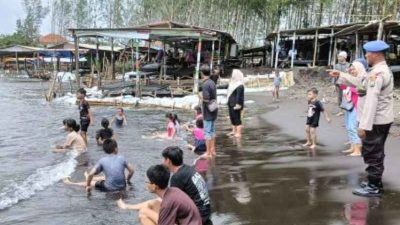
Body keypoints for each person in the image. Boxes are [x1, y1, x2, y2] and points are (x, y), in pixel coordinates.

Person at [328, 40, 394, 197]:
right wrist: (342, 75)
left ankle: (374, 187)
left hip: (376, 121)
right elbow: (361, 83)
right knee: (374, 152)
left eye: (368, 53)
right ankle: (374, 181)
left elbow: (372, 100)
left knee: (373, 153)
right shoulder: (377, 71)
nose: (366, 55)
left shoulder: (378, 73)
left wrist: (364, 126)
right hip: (380, 119)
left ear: (376, 54)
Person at [118, 165, 202, 225]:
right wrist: (127, 206)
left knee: (143, 213)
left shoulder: (168, 202)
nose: (146, 184)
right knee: (151, 208)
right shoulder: (172, 191)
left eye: (147, 182)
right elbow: (152, 203)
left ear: (155, 186)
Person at [161, 147, 211, 224]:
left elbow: (172, 203)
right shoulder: (188, 169)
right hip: (205, 212)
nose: (162, 161)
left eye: (163, 159)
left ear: (168, 161)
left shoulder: (177, 177)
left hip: (198, 217)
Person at [63, 139, 134, 193]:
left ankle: (71, 183)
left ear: (105, 150)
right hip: (122, 187)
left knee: (92, 183)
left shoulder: (102, 160)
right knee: (106, 176)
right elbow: (131, 171)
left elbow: (91, 173)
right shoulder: (122, 158)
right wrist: (128, 180)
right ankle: (88, 178)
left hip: (109, 188)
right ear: (116, 149)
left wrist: (88, 185)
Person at [339, 59, 366, 157]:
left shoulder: (363, 78)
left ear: (359, 69)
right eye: (351, 69)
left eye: (354, 69)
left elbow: (361, 91)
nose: (352, 71)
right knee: (348, 126)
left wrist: (350, 87)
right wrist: (345, 76)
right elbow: (341, 86)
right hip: (348, 105)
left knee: (353, 127)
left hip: (356, 106)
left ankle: (357, 150)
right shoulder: (350, 78)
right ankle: (352, 146)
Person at [201, 65, 218, 157]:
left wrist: (201, 98)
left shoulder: (205, 84)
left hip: (208, 111)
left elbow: (206, 99)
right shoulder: (212, 82)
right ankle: (213, 150)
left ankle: (208, 153)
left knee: (207, 132)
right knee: (212, 131)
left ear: (202, 73)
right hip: (214, 109)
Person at [227, 69, 245, 138]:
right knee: (232, 118)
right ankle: (233, 131)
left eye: (233, 74)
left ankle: (238, 133)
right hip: (231, 103)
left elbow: (239, 96)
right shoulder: (232, 83)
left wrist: (238, 104)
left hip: (236, 104)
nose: (232, 75)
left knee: (237, 118)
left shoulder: (240, 85)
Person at [334, 51, 350, 116]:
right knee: (339, 96)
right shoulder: (336, 66)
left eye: (340, 56)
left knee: (347, 96)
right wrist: (333, 84)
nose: (338, 58)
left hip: (346, 84)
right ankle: (340, 110)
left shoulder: (349, 65)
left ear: (344, 57)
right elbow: (334, 75)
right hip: (339, 83)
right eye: (338, 56)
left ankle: (348, 109)